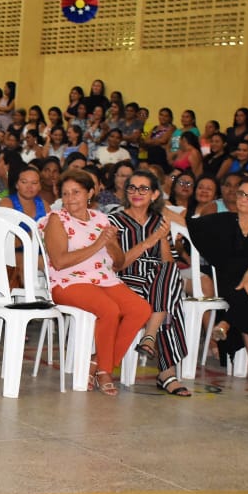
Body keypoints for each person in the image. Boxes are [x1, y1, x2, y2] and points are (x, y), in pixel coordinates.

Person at [44, 169, 151, 396]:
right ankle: (105, 371)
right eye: (66, 193)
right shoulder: (57, 219)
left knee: (141, 309)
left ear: (90, 193)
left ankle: (97, 361)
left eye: (76, 192)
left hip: (104, 279)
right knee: (109, 310)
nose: (71, 198)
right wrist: (97, 244)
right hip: (68, 281)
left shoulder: (101, 219)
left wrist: (111, 244)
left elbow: (119, 262)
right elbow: (60, 261)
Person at [180, 176, 248, 384]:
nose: (244, 199)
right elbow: (188, 224)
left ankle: (227, 322)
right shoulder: (222, 221)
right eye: (241, 194)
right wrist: (156, 202)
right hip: (232, 279)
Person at [109, 171, 190, 395]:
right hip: (128, 279)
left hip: (158, 278)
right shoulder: (114, 220)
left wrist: (163, 237)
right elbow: (119, 264)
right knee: (170, 297)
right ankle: (167, 373)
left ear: (154, 194)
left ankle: (150, 336)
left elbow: (168, 261)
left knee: (169, 273)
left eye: (144, 189)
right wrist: (151, 240)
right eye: (132, 188)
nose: (137, 193)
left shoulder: (160, 221)